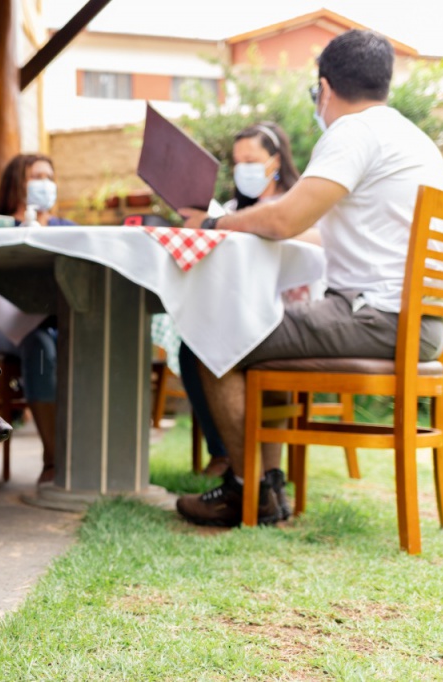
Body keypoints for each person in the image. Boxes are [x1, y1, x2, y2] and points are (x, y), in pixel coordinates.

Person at [174, 29, 443, 527]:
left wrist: (214, 223)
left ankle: (247, 490)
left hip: (374, 316)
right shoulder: (413, 138)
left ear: (323, 88)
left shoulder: (353, 132)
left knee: (208, 339)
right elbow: (314, 228)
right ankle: (268, 486)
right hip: (416, 320)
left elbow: (284, 220)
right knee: (263, 329)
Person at [179, 121, 301, 479]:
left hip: (285, 308)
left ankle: (254, 475)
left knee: (223, 347)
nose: (243, 168)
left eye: (252, 159)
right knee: (192, 346)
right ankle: (227, 454)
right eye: (237, 161)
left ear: (275, 160)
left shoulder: (293, 205)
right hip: (237, 303)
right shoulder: (230, 209)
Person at [0, 154, 75, 485]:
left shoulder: (67, 229)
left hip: (58, 325)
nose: (45, 183)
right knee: (39, 348)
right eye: (37, 176)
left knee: (58, 343)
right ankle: (53, 459)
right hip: (9, 327)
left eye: (50, 176)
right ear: (17, 183)